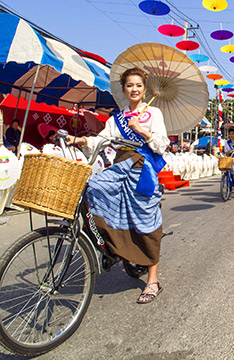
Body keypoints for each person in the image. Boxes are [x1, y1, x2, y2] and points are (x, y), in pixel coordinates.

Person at [68, 67, 169, 303]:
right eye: (129, 85)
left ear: (145, 89)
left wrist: (142, 130)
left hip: (142, 170)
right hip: (120, 166)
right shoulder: (117, 118)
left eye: (138, 85)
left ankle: (152, 279)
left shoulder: (153, 113)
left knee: (146, 221)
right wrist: (82, 140)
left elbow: (162, 145)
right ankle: (112, 246)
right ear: (123, 89)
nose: (134, 89)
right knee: (92, 188)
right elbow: (102, 139)